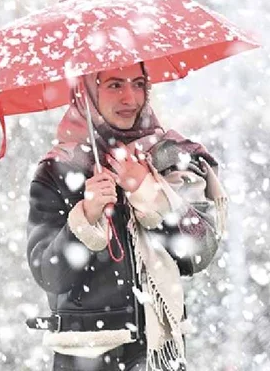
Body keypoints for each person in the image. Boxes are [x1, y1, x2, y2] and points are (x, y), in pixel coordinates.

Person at [25, 62, 227, 371]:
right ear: (86, 91)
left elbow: (199, 254)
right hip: (87, 358)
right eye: (114, 85)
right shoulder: (59, 170)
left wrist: (148, 192)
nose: (130, 98)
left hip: (160, 356)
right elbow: (50, 275)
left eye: (138, 83)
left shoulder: (170, 158)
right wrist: (85, 217)